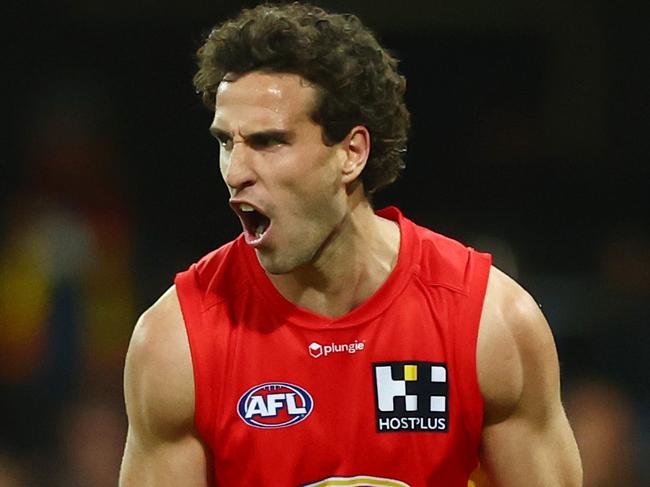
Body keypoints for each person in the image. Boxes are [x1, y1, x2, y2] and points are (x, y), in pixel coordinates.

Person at [119, 3, 582, 486]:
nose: (235, 173)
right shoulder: (177, 343)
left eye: (269, 142)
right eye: (226, 143)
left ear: (351, 153)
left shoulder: (492, 325)